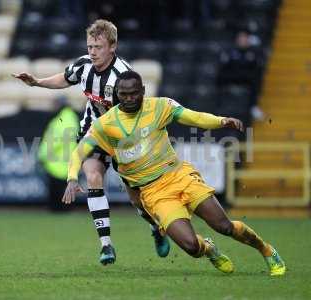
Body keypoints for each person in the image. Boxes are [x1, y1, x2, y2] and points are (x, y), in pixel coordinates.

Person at [62, 70, 286, 276]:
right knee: (191, 247)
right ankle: (209, 249)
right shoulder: (105, 124)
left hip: (179, 176)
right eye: (123, 94)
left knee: (223, 226)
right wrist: (72, 177)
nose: (128, 98)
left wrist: (221, 121)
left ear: (143, 91)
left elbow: (194, 117)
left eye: (133, 94)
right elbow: (79, 152)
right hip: (153, 193)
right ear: (117, 94)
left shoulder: (160, 106)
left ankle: (267, 250)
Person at [13, 19, 169, 265]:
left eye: (98, 46)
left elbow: (139, 114)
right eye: (90, 46)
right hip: (93, 132)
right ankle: (106, 245)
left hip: (123, 140)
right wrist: (37, 82)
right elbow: (65, 78)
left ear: (112, 47)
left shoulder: (123, 76)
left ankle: (155, 227)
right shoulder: (84, 65)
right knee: (94, 177)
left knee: (136, 198)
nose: (92, 52)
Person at [38, 97, 79, 211]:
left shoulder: (64, 119)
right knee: (63, 190)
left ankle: (59, 209)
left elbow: (56, 139)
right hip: (64, 161)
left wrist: (44, 153)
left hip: (58, 161)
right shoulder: (69, 117)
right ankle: (64, 209)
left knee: (58, 191)